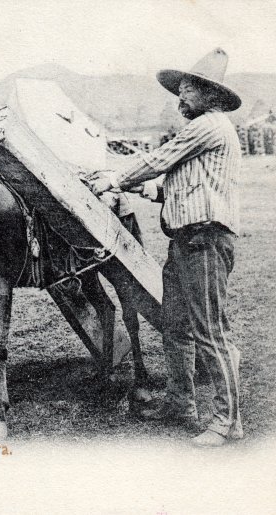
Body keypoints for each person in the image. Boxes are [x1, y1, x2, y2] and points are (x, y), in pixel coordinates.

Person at [88, 48, 243, 447]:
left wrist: (114, 179)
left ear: (210, 96)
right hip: (184, 243)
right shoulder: (202, 133)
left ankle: (227, 421)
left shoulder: (209, 125)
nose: (180, 98)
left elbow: (159, 159)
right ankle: (180, 404)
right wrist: (142, 187)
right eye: (180, 89)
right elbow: (172, 185)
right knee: (175, 326)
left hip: (206, 242)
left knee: (211, 332)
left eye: (188, 89)